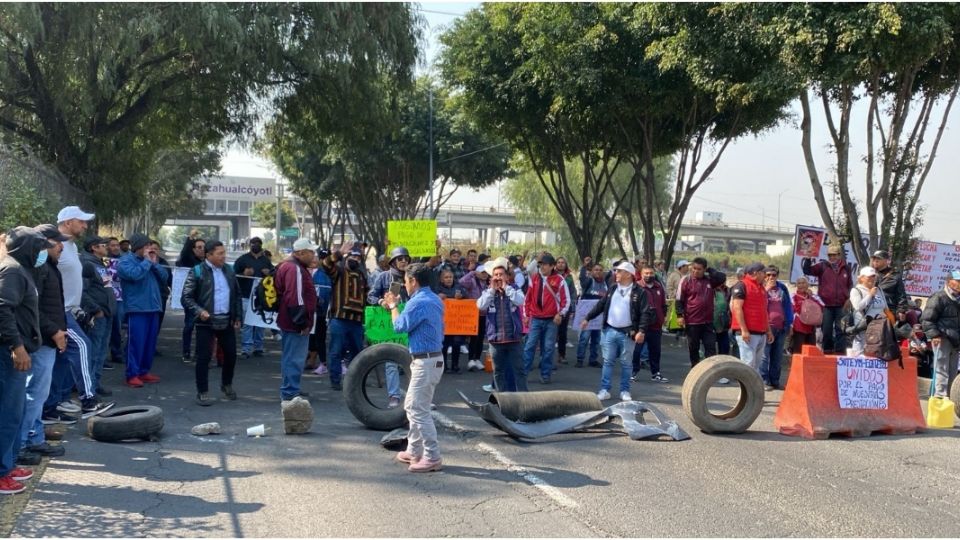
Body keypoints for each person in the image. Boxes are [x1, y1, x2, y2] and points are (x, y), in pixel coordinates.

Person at [381, 263, 445, 473]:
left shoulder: (417, 303)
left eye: (406, 281)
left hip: (425, 361)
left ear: (413, 281)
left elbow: (399, 326)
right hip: (431, 359)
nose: (405, 285)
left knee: (416, 408)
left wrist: (392, 306)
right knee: (415, 406)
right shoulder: (433, 298)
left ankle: (432, 455)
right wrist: (399, 305)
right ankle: (414, 450)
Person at [0, 227, 47, 495]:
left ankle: (7, 464)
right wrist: (17, 348)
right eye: (38, 248)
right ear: (26, 248)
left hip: (16, 353)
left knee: (13, 413)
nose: (42, 253)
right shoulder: (14, 270)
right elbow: (3, 308)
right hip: (9, 355)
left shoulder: (20, 268)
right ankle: (1, 471)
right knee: (7, 414)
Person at [18, 229, 69, 466]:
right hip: (40, 340)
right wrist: (55, 331)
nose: (62, 247)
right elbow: (34, 309)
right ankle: (21, 445)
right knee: (34, 394)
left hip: (45, 340)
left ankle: (34, 438)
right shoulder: (38, 269)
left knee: (38, 394)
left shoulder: (48, 266)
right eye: (58, 242)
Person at [181, 241, 243, 406]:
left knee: (231, 355)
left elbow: (237, 295)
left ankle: (226, 384)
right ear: (209, 255)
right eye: (220, 253)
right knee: (204, 357)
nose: (224, 256)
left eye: (224, 252)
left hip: (226, 319)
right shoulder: (197, 271)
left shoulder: (229, 270)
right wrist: (199, 311)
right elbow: (186, 297)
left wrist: (237, 316)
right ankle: (202, 391)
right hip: (206, 321)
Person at [581, 261, 654, 402]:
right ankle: (604, 390)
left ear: (628, 274)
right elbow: (601, 305)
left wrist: (642, 331)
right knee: (608, 361)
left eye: (619, 271)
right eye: (616, 271)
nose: (616, 274)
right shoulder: (613, 288)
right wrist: (587, 318)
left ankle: (625, 391)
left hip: (628, 333)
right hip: (609, 330)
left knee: (626, 364)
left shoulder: (640, 292)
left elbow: (645, 313)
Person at [117, 233, 168, 388]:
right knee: (136, 343)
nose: (150, 249)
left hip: (153, 307)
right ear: (138, 247)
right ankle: (132, 374)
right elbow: (134, 275)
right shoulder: (125, 261)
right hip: (137, 309)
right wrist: (146, 262)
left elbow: (165, 277)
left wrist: (155, 264)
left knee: (149, 343)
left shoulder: (149, 261)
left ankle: (144, 371)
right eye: (146, 246)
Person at [274, 238, 318, 401]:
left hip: (289, 320)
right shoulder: (295, 269)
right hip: (295, 323)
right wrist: (302, 323)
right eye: (311, 252)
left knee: (291, 357)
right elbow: (296, 298)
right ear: (301, 253)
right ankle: (290, 392)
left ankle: (291, 389)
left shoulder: (289, 266)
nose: (313, 256)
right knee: (294, 358)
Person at [368, 246, 413, 407]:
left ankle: (416, 397)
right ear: (393, 262)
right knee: (391, 361)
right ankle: (394, 396)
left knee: (413, 361)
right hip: (390, 325)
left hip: (409, 322)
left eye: (406, 259)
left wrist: (405, 297)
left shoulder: (412, 277)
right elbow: (371, 295)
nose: (403, 261)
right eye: (400, 259)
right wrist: (382, 302)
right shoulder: (383, 277)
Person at [321, 243, 369, 392]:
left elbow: (367, 296)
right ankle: (335, 381)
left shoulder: (362, 276)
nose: (355, 259)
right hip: (339, 319)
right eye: (352, 256)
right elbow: (326, 264)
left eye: (358, 257)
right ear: (346, 258)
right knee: (336, 351)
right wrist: (339, 253)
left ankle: (355, 381)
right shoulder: (339, 272)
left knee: (358, 353)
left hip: (356, 321)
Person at [477, 258, 526, 392]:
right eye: (496, 275)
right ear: (492, 277)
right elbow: (480, 305)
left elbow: (521, 301)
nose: (498, 277)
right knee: (498, 371)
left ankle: (524, 399)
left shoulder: (514, 289)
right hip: (495, 339)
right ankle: (502, 399)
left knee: (519, 370)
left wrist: (506, 288)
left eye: (501, 274)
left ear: (507, 276)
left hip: (514, 338)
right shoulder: (488, 292)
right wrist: (492, 291)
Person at [522, 253, 571, 385]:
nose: (542, 267)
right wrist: (526, 315)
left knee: (548, 348)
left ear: (552, 266)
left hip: (551, 320)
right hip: (536, 319)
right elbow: (528, 298)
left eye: (544, 265)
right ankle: (522, 374)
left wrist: (560, 314)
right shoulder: (534, 278)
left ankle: (545, 375)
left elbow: (566, 301)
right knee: (529, 347)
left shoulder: (559, 280)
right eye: (540, 265)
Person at [80, 236, 116, 398]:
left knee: (101, 352)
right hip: (98, 314)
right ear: (94, 248)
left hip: (107, 313)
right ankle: (89, 388)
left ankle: (96, 382)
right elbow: (83, 291)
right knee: (94, 352)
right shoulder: (87, 264)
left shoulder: (100, 263)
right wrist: (95, 309)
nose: (106, 247)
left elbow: (106, 287)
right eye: (103, 245)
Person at [801, 244, 853, 353]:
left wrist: (849, 299)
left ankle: (840, 353)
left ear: (839, 255)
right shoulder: (822, 266)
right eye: (830, 255)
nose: (832, 257)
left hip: (842, 305)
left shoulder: (846, 268)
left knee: (841, 330)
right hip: (826, 305)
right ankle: (828, 352)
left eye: (834, 255)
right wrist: (808, 258)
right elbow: (807, 271)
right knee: (827, 330)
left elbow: (850, 285)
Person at [675, 257, 726, 367]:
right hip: (692, 321)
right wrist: (680, 315)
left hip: (707, 322)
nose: (695, 271)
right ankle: (695, 370)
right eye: (693, 268)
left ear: (704, 269)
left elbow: (722, 278)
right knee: (693, 348)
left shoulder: (709, 280)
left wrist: (710, 270)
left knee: (710, 347)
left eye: (699, 269)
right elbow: (679, 299)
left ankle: (710, 371)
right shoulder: (685, 280)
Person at [232, 237, 274, 359]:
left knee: (260, 323)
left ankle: (258, 348)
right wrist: (243, 274)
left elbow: (274, 274)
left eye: (257, 244)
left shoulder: (266, 261)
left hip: (261, 297)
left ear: (261, 245)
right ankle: (246, 349)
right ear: (249, 245)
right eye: (252, 244)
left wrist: (269, 273)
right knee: (248, 323)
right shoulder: (242, 259)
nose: (255, 245)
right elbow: (233, 275)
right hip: (245, 295)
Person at [921, 270, 960, 397]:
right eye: (957, 281)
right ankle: (940, 396)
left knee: (953, 371)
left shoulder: (958, 299)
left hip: (955, 340)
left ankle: (950, 398)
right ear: (949, 281)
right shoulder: (939, 297)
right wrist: (934, 335)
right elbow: (927, 319)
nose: (959, 283)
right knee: (942, 370)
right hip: (942, 338)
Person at [730, 262, 773, 374]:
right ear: (756, 273)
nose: (766, 276)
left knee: (755, 366)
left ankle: (752, 390)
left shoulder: (761, 288)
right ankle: (747, 390)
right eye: (764, 273)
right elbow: (737, 308)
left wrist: (768, 330)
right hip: (748, 333)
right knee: (748, 365)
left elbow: (764, 311)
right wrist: (744, 330)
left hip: (760, 333)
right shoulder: (741, 285)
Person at [760, 265, 793, 391]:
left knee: (777, 355)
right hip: (766, 327)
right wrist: (767, 289)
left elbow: (788, 306)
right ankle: (764, 381)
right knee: (764, 355)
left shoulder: (782, 288)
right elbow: (759, 304)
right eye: (768, 275)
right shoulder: (761, 287)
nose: (770, 277)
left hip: (781, 327)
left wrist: (789, 323)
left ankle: (775, 381)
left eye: (773, 275)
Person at [176, 237, 206, 362]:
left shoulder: (207, 263)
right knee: (189, 326)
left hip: (204, 301)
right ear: (193, 249)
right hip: (191, 301)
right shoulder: (188, 261)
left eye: (203, 247)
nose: (201, 250)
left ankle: (199, 353)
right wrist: (189, 239)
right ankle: (186, 352)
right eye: (198, 247)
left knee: (203, 329)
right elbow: (184, 254)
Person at [637, 264, 668, 383]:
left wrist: (663, 317)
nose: (649, 275)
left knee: (655, 351)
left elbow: (663, 304)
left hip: (656, 325)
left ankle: (656, 373)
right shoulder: (637, 287)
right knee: (636, 351)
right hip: (641, 326)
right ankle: (632, 373)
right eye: (646, 273)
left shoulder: (658, 287)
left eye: (651, 273)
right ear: (641, 274)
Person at [848, 266, 888, 356]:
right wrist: (870, 295)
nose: (872, 279)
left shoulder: (879, 290)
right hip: (863, 328)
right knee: (860, 354)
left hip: (879, 328)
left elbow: (885, 307)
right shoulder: (856, 290)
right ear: (862, 278)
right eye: (869, 277)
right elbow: (858, 307)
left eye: (874, 276)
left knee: (876, 353)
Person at [458, 263, 490, 372]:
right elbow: (461, 282)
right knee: (473, 337)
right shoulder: (472, 282)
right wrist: (472, 273)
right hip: (473, 314)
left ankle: (477, 359)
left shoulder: (488, 283)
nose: (484, 275)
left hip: (485, 314)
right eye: (482, 273)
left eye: (486, 273)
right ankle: (471, 359)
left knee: (481, 338)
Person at [436, 268, 467, 373]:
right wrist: (437, 296)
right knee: (444, 345)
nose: (449, 279)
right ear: (441, 279)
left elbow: (468, 299)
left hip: (456, 323)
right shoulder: (437, 289)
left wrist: (461, 297)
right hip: (443, 323)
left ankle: (455, 365)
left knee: (456, 344)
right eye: (446, 277)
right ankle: (444, 366)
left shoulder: (459, 288)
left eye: (450, 277)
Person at [306, 248, 332, 373]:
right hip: (312, 311)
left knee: (319, 338)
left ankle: (323, 363)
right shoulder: (311, 271)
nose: (321, 260)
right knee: (311, 336)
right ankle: (312, 359)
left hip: (321, 312)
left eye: (324, 258)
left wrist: (319, 304)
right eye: (319, 257)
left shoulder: (326, 273)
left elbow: (324, 293)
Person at [577, 263, 607, 368]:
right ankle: (580, 359)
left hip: (599, 316)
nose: (598, 272)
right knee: (584, 338)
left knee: (596, 339)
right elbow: (582, 279)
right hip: (587, 316)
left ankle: (593, 359)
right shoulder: (588, 281)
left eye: (600, 270)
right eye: (596, 270)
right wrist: (584, 266)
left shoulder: (605, 283)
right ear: (592, 271)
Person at [791, 276, 825, 354]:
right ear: (796, 285)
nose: (801, 285)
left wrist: (811, 296)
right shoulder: (793, 296)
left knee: (810, 351)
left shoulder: (813, 296)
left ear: (807, 285)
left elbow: (822, 306)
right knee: (798, 352)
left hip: (811, 328)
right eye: (799, 283)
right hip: (799, 327)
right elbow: (791, 311)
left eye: (803, 283)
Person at [106, 237, 125, 366]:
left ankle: (116, 353)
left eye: (117, 245)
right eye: (112, 245)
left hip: (120, 298)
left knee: (117, 328)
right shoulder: (103, 261)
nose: (116, 247)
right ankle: (102, 357)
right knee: (106, 328)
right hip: (106, 298)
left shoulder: (124, 260)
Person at [555, 257, 576, 365]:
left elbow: (573, 293)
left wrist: (572, 307)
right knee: (552, 333)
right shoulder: (551, 276)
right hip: (552, 308)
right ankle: (546, 357)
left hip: (565, 308)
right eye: (559, 262)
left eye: (563, 262)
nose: (561, 264)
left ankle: (561, 355)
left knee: (563, 333)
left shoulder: (569, 277)